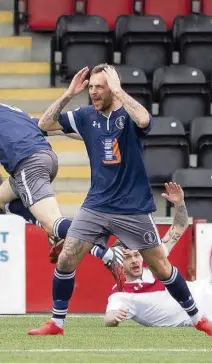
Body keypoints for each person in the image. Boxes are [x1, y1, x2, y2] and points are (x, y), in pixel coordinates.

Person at [28, 64, 212, 336]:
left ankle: (198, 319)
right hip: (96, 206)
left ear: (112, 87)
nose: (93, 92)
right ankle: (57, 323)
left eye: (99, 87)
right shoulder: (86, 116)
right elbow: (44, 124)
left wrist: (119, 91)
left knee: (161, 267)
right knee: (66, 259)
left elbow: (146, 120)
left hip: (133, 208)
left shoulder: (128, 114)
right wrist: (69, 93)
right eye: (90, 87)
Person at [0, 103, 124, 287]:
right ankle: (55, 231)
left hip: (27, 164)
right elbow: (50, 127)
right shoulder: (10, 111)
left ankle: (107, 252)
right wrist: (95, 136)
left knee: (53, 224)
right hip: (46, 157)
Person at [105, 182, 212, 327]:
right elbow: (109, 317)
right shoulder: (121, 293)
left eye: (137, 255)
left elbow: (180, 226)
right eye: (128, 257)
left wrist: (179, 203)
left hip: (206, 288)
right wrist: (113, 318)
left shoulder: (155, 260)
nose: (135, 260)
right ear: (118, 262)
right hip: (205, 313)